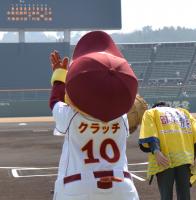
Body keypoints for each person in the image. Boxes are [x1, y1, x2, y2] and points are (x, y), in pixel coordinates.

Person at [49, 31, 139, 200]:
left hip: (77, 186)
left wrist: (59, 77)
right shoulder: (122, 118)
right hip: (122, 187)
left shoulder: (71, 116)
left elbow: (54, 101)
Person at [138, 101, 196, 200]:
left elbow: (150, 132)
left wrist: (156, 151)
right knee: (184, 195)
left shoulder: (151, 112)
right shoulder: (184, 113)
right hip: (185, 158)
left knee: (166, 195)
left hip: (164, 158)